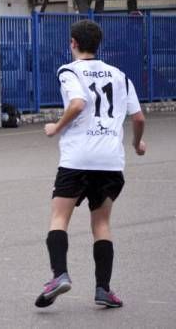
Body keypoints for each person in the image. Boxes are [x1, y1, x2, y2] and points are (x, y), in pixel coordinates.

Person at [34, 20, 146, 308]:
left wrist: (56, 127)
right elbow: (138, 118)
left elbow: (78, 102)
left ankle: (59, 275)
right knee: (102, 223)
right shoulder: (120, 76)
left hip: (78, 158)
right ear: (99, 43)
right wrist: (136, 144)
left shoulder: (69, 70)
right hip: (110, 160)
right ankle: (103, 289)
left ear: (73, 42)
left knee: (59, 218)